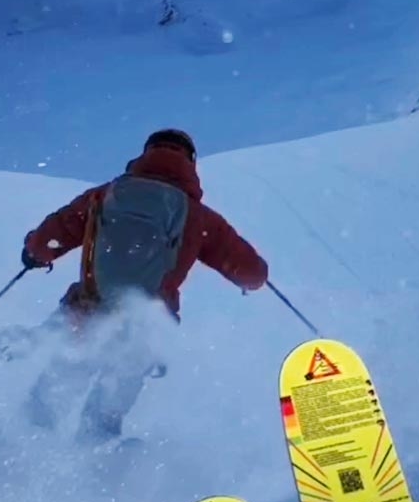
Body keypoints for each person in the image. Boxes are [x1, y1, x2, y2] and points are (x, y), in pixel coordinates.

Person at [15, 128, 268, 439]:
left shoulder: (104, 195)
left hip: (85, 314)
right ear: (190, 161)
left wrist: (34, 253)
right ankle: (95, 467)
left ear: (146, 153)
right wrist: (257, 276)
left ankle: (14, 458)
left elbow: (51, 236)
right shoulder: (199, 217)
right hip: (142, 328)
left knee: (49, 399)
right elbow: (252, 274)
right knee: (103, 419)